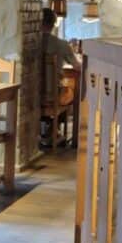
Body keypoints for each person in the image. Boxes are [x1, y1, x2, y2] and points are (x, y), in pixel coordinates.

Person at [39, 8, 80, 148]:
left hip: (32, 95)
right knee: (71, 92)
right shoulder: (62, 44)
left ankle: (49, 129)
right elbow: (77, 67)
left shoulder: (30, 43)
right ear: (54, 23)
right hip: (53, 96)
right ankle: (53, 130)